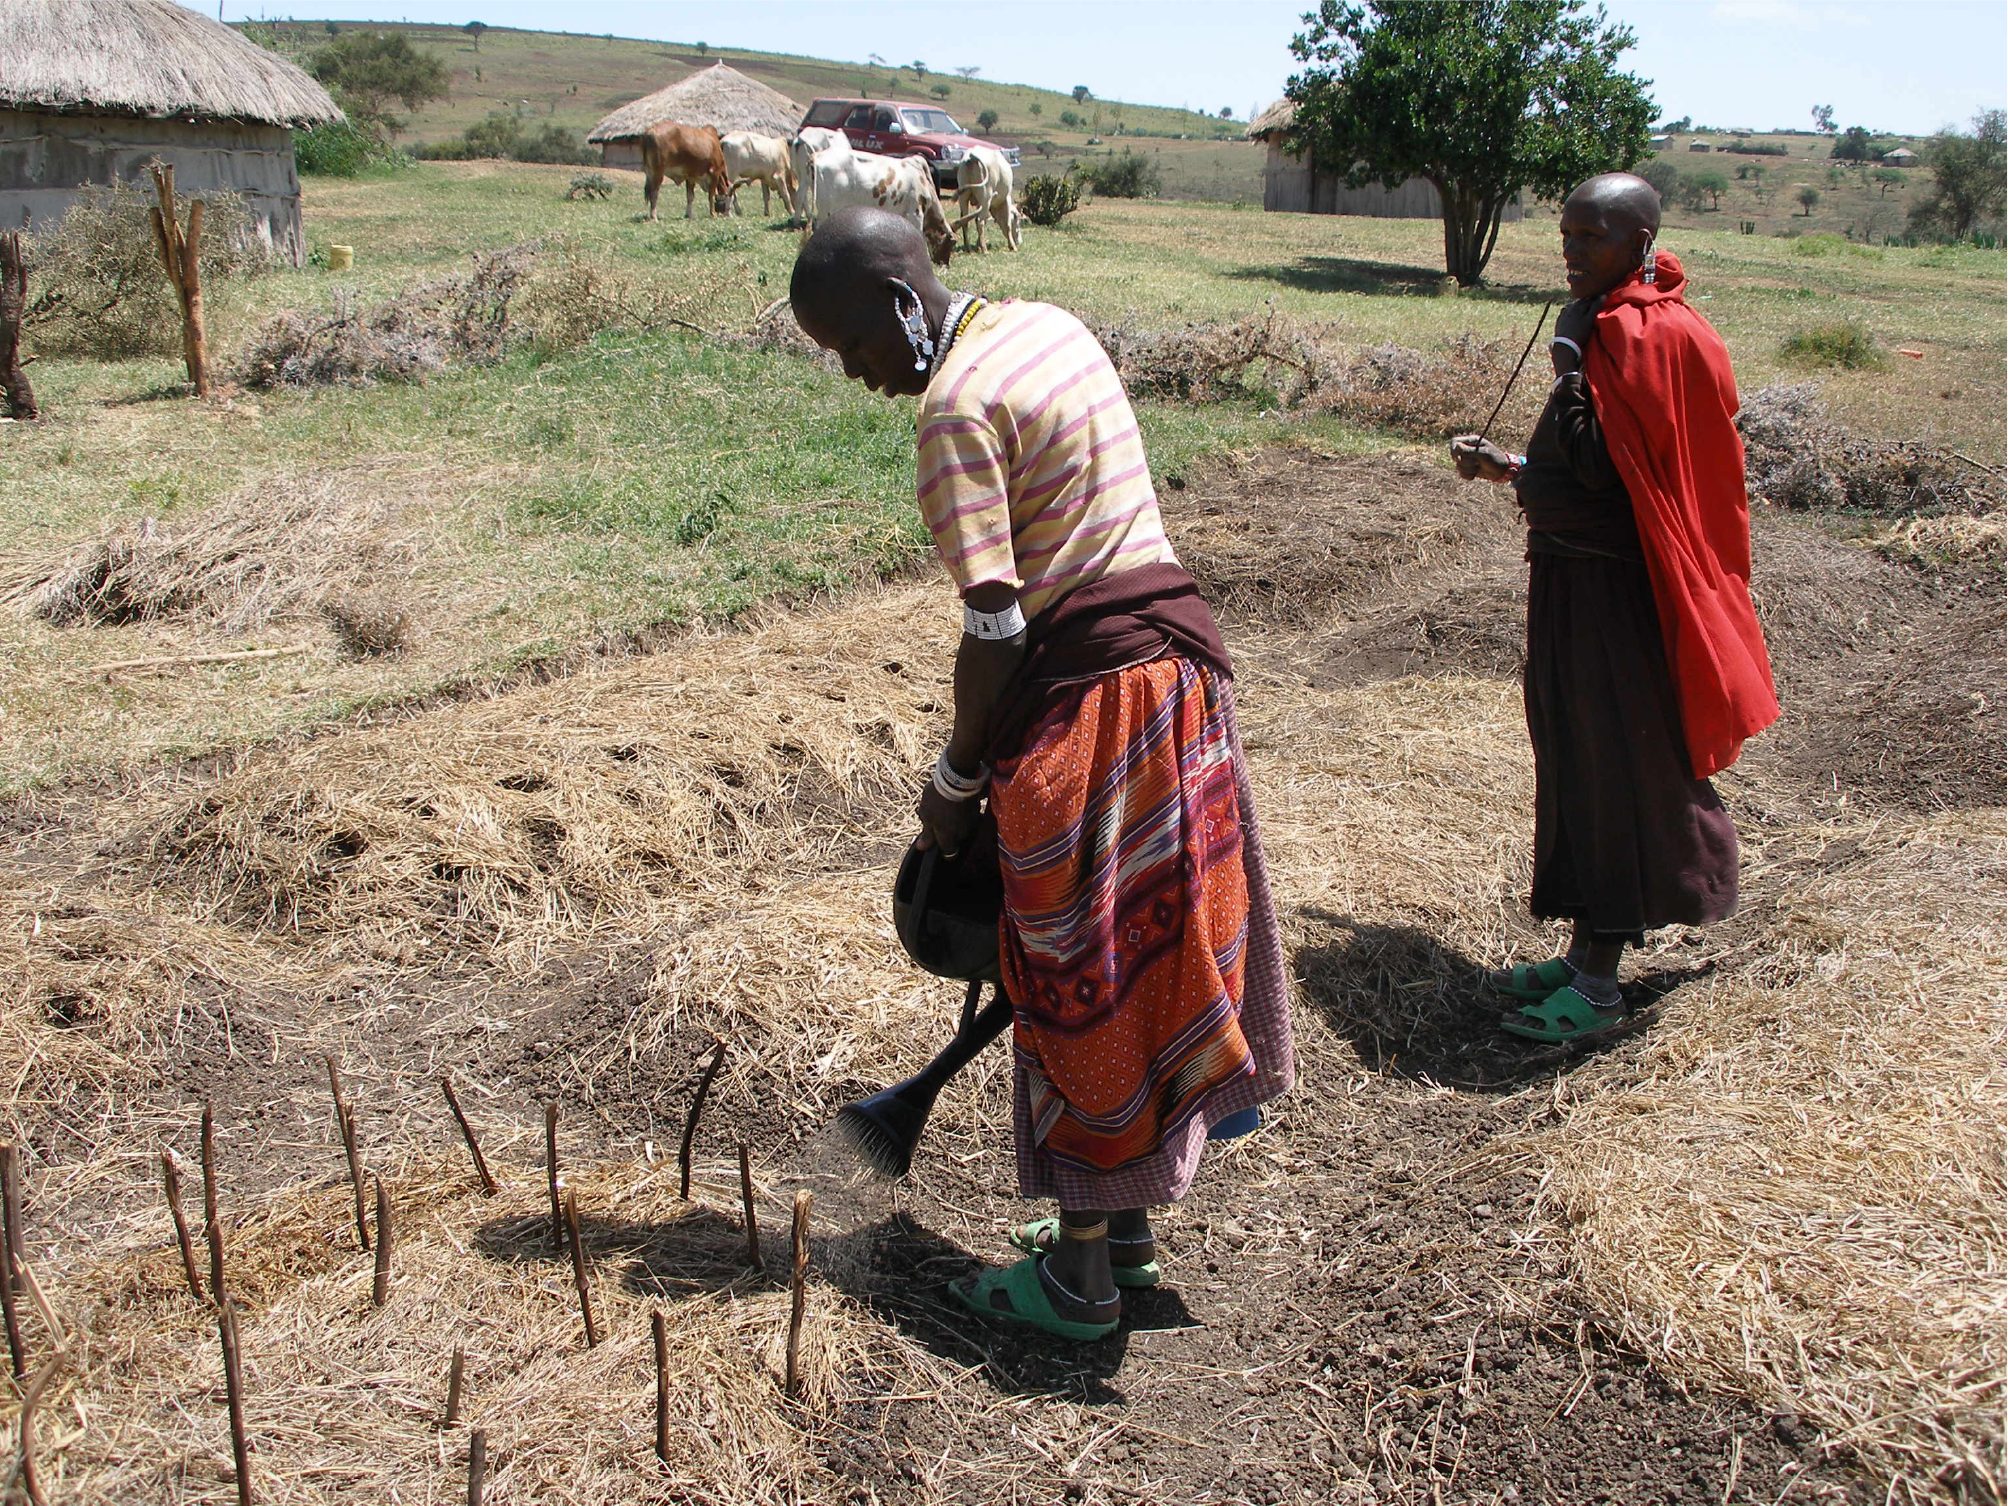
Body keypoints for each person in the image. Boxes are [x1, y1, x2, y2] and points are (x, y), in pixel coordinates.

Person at [791, 209, 1294, 1340]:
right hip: (1178, 684)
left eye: (854, 347)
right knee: (1148, 956)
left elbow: (998, 633)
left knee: (1080, 980)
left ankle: (1077, 1289)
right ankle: (1122, 1231)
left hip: (1096, 711)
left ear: (902, 304)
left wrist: (957, 779)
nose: (855, 376)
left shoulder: (954, 409)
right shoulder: (1049, 326)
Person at [1450, 173, 1778, 1043]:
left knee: (1616, 765)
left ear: (1639, 241)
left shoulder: (1649, 335)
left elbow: (1613, 471)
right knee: (1574, 753)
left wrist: (1569, 358)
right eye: (1564, 234)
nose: (1570, 251)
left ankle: (1597, 990)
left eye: (1590, 237)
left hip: (1620, 596)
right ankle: (1581, 948)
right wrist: (1513, 472)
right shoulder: (1609, 326)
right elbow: (1600, 470)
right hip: (1571, 581)